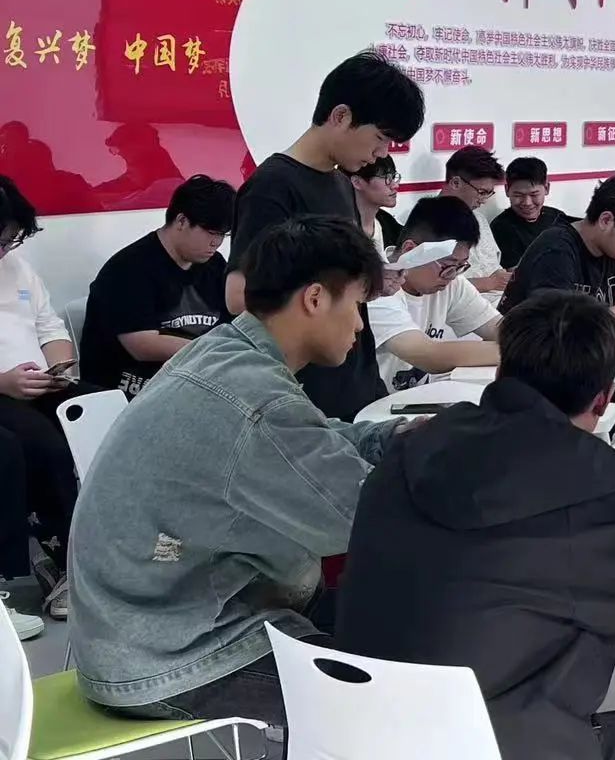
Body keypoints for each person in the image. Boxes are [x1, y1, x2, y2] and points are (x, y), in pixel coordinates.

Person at [337, 290, 615, 760]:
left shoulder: (414, 445)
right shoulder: (594, 490)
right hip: (482, 740)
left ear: (501, 371)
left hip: (354, 725)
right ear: (603, 399)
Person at [70, 216, 402, 745]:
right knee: (392, 700)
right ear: (315, 298)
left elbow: (312, 441)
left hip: (137, 624)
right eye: (356, 305)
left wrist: (396, 437)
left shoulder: (226, 351)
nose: (360, 326)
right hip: (172, 654)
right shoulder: (255, 399)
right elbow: (365, 517)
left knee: (378, 623)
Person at [227, 49, 425, 421]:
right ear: (341, 116)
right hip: (305, 396)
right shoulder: (272, 186)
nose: (381, 153)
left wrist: (371, 283)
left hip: (356, 380)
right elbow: (240, 296)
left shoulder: (341, 184)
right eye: (380, 138)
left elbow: (338, 278)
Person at [502, 165, 615, 449]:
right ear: (607, 220)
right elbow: (557, 328)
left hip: (582, 367)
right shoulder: (557, 248)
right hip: (539, 375)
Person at [0, 175, 78, 631]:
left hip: (35, 385)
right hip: (3, 392)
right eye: (1, 241)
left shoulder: (19, 268)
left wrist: (61, 369)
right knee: (36, 443)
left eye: (11, 241)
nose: (6, 251)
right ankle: (38, 568)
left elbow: (50, 327)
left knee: (103, 409)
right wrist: (5, 382)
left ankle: (102, 555)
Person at [80, 175, 235, 398]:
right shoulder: (128, 269)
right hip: (130, 391)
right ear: (181, 221)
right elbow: (142, 345)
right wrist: (215, 351)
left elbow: (230, 325)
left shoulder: (214, 265)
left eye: (222, 235)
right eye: (211, 233)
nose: (217, 243)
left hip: (192, 381)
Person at [368, 196, 501, 393]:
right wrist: (516, 350)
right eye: (447, 266)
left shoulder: (451, 283)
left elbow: (499, 328)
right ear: (410, 250)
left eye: (460, 266)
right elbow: (429, 355)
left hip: (419, 402)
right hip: (377, 407)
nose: (452, 276)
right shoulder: (378, 291)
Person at [442, 146, 509, 295]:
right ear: (455, 183)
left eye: (489, 193)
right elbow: (435, 286)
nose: (483, 200)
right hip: (468, 304)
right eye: (481, 192)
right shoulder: (428, 224)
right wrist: (489, 282)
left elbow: (495, 268)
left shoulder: (479, 218)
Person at [490, 156, 569, 270]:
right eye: (518, 195)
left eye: (534, 195)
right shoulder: (501, 227)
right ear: (507, 190)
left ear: (546, 188)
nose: (527, 203)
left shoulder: (557, 217)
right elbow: (516, 274)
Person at [348, 155, 402, 256]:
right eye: (386, 178)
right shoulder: (340, 233)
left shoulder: (388, 223)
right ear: (357, 182)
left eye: (393, 177)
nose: (395, 185)